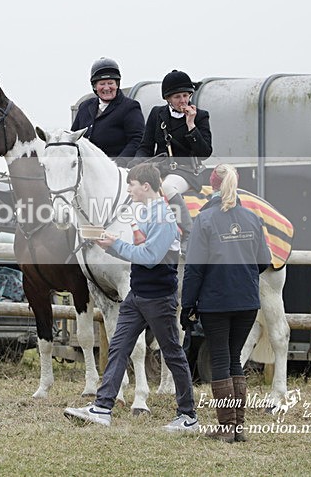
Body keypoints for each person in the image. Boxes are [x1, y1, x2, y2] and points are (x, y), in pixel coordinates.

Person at [63, 163, 198, 433]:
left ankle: (188, 415)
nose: (128, 189)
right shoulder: (146, 213)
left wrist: (115, 245)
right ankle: (103, 407)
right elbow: (139, 249)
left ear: (145, 186)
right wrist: (111, 242)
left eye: (132, 184)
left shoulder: (164, 217)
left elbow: (150, 257)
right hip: (137, 295)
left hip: (158, 298)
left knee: (173, 353)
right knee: (118, 348)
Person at [180, 164, 271, 443]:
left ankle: (226, 426)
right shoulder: (252, 218)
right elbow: (264, 261)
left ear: (212, 185)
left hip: (216, 300)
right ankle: (238, 426)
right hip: (246, 301)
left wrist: (187, 305)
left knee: (220, 358)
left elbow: (194, 268)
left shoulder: (205, 219)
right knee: (234, 359)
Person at [131, 70, 213, 252]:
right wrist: (135, 165)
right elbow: (146, 146)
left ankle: (188, 232)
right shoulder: (157, 114)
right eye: (177, 97)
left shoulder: (201, 116)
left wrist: (191, 125)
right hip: (159, 169)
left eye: (186, 95)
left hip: (187, 172)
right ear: (168, 98)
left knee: (167, 187)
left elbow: (204, 152)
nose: (183, 100)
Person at [71, 57, 145, 167]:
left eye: (110, 83)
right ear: (95, 86)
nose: (106, 88)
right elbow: (73, 137)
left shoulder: (130, 107)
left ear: (117, 84)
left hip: (115, 169)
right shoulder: (84, 107)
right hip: (85, 169)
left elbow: (136, 140)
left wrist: (117, 164)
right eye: (102, 84)